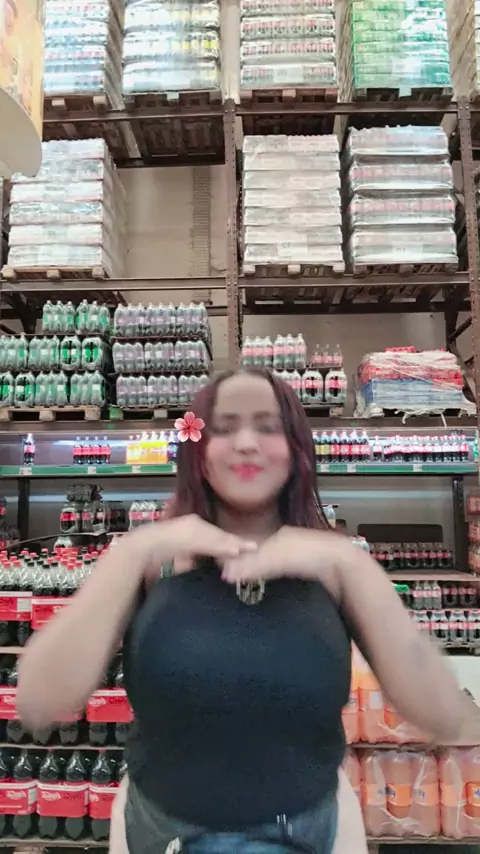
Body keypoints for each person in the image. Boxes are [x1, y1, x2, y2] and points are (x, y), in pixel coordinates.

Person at [17, 369, 478, 854]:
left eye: (267, 426)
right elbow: (39, 701)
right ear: (197, 446)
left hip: (311, 834)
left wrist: (351, 566)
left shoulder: (335, 567)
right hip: (162, 835)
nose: (245, 443)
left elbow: (443, 714)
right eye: (223, 427)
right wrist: (133, 552)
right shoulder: (153, 563)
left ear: (296, 447)